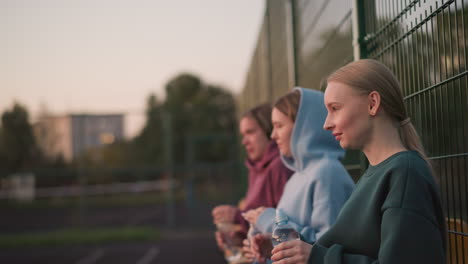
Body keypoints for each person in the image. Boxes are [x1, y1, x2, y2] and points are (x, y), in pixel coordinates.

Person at [270, 59, 447, 264]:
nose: (326, 124)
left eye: (335, 108)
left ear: (373, 104)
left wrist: (317, 258)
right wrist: (291, 251)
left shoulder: (404, 174)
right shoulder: (380, 173)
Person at [243, 87, 355, 261]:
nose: (273, 135)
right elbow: (297, 246)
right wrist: (267, 252)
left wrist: (270, 221)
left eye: (279, 126)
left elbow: (326, 249)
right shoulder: (297, 176)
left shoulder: (327, 173)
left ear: (304, 127)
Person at [212, 103, 293, 254]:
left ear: (269, 130)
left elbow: (287, 226)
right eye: (243, 135)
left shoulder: (279, 166)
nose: (244, 141)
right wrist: (239, 239)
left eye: (250, 132)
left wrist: (237, 216)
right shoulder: (255, 168)